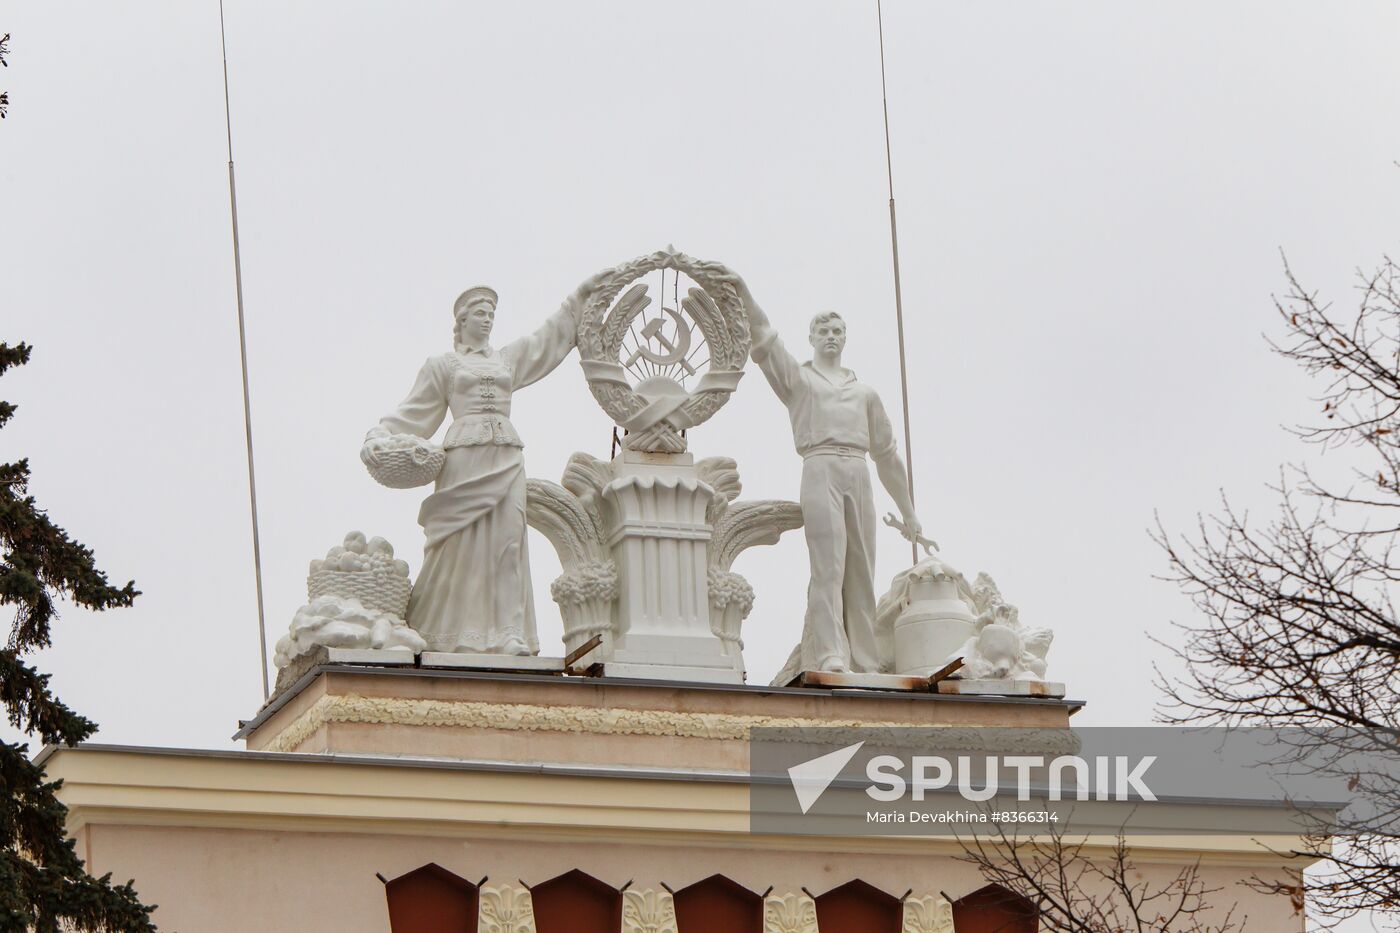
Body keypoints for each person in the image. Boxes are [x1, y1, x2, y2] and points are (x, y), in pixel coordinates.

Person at [363, 273, 604, 655]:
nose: (487, 319)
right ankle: (446, 631)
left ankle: (509, 631)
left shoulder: (506, 360)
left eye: (491, 312)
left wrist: (579, 301)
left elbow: (545, 343)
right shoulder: (443, 365)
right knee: (459, 548)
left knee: (507, 543)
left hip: (506, 458)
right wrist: (379, 436)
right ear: (461, 321)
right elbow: (414, 414)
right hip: (463, 463)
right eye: (479, 312)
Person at [719, 272, 925, 673]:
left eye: (837, 330)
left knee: (862, 571)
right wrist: (743, 292)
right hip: (820, 466)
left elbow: (888, 455)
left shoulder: (864, 393)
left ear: (845, 338)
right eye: (823, 330)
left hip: (859, 471)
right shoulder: (800, 381)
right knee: (828, 568)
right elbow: (765, 342)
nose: (831, 336)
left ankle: (865, 658)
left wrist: (909, 510)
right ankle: (832, 652)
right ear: (811, 338)